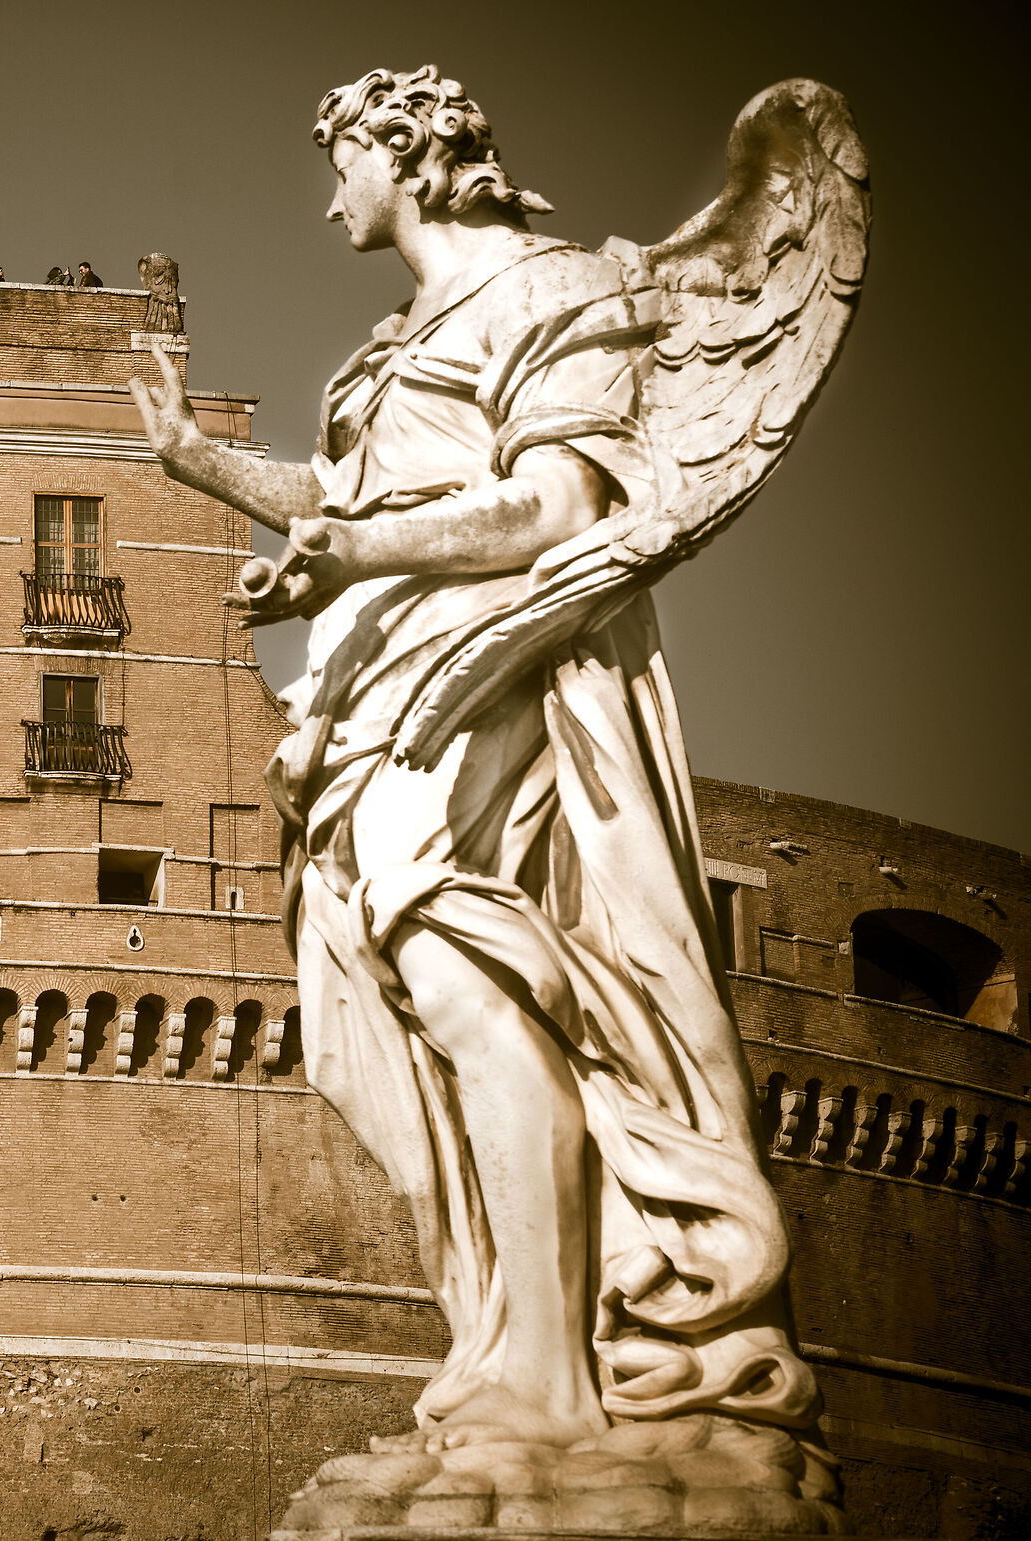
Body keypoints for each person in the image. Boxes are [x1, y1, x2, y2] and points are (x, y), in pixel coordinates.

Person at [133, 64, 835, 1459]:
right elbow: (354, 499)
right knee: (385, 1013)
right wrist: (207, 470)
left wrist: (362, 552)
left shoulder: (551, 291)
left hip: (493, 667)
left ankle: (550, 1372)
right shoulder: (392, 341)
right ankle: (503, 1332)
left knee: (470, 976)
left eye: (342, 158)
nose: (332, 189)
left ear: (405, 152)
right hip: (378, 685)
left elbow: (558, 502)